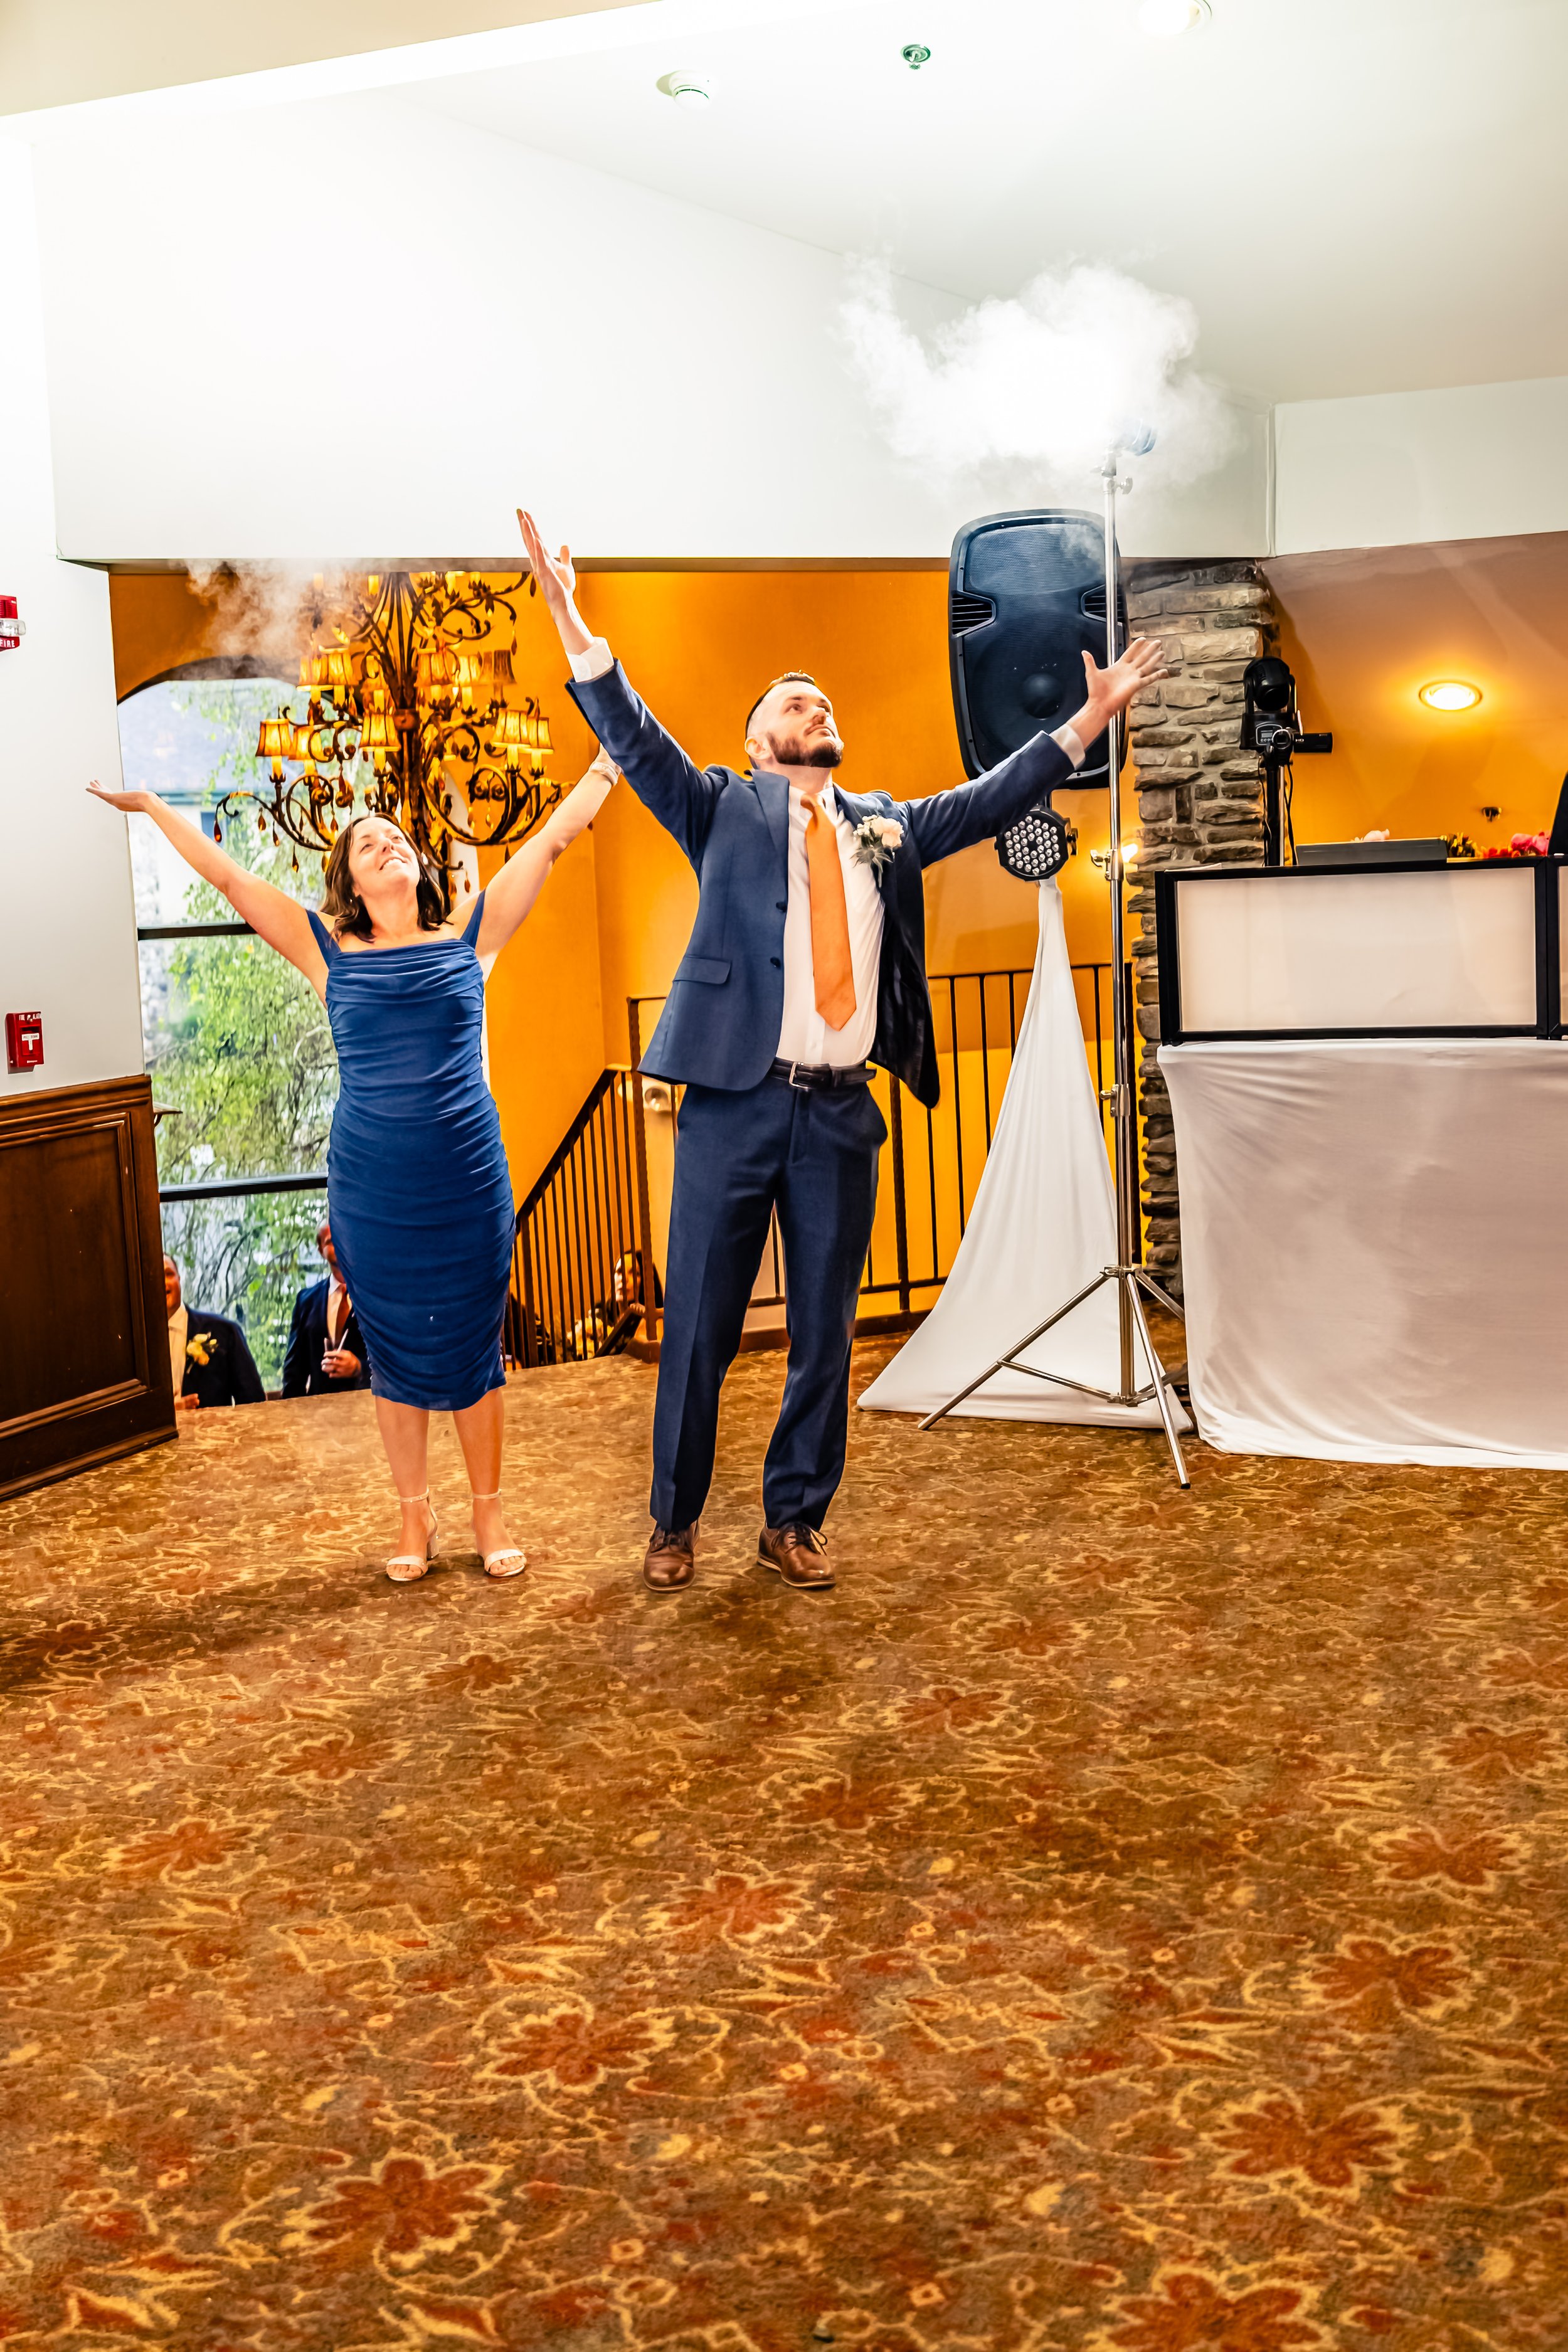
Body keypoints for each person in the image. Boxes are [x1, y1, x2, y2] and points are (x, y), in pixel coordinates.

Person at [519, 508, 1165, 1597]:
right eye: (792, 702)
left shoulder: (888, 825)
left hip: (837, 1116)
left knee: (825, 1334)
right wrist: (571, 615)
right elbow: (632, 733)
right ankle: (673, 1522)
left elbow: (990, 797)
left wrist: (1081, 728)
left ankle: (795, 1519)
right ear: (757, 744)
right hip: (730, 1105)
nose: (816, 705)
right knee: (703, 1338)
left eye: (824, 699)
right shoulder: (718, 805)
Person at [92, 743, 618, 1582]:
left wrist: (604, 765)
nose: (389, 843)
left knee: (475, 1347)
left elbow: (550, 842)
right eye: (368, 841)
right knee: (400, 1350)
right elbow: (229, 880)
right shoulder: (323, 950)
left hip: (468, 1177)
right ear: (347, 879)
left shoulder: (471, 934)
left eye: (398, 837)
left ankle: (489, 1511)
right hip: (374, 1185)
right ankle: (415, 1517)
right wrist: (155, 806)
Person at [164, 1253, 265, 1411]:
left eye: (168, 1274)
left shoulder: (224, 1331)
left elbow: (254, 1402)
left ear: (179, 1278)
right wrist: (165, 1412)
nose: (162, 1282)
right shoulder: (134, 1347)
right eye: (154, 1277)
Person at [282, 1219, 371, 1397]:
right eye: (331, 1241)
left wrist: (359, 1368)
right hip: (319, 1414)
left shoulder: (378, 1298)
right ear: (321, 1250)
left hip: (369, 1410)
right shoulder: (306, 1301)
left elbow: (397, 1363)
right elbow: (294, 1373)